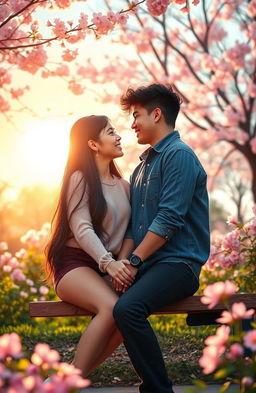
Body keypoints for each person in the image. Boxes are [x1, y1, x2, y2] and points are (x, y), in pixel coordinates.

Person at [113, 84, 210, 393]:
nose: (132, 125)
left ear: (157, 114)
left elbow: (169, 219)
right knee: (113, 302)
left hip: (179, 264)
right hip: (148, 265)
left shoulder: (179, 156)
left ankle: (157, 389)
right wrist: (124, 265)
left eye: (137, 115)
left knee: (128, 309)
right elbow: (131, 227)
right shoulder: (141, 168)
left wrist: (135, 262)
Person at [45, 115, 134, 378]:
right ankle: (69, 382)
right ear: (93, 144)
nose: (119, 136)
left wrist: (124, 264)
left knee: (125, 316)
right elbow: (81, 227)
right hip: (74, 264)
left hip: (111, 267)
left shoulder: (125, 187)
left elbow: (131, 230)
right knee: (111, 308)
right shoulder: (79, 178)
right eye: (110, 132)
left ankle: (68, 379)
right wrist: (108, 262)